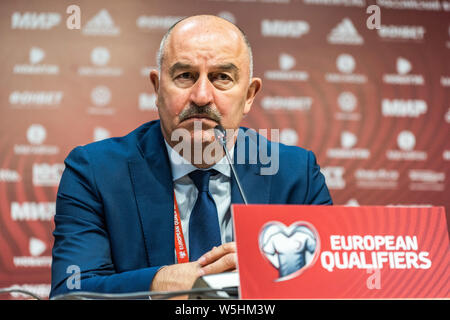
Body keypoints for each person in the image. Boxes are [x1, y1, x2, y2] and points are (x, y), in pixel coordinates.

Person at [50, 15, 332, 298]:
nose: (201, 96)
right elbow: (71, 292)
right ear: (157, 88)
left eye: (222, 77)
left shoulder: (296, 174)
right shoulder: (95, 172)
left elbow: (332, 287)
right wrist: (159, 283)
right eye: (185, 75)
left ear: (249, 95)